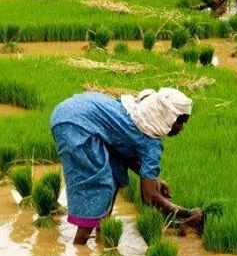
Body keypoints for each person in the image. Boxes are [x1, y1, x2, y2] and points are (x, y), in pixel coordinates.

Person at [50, 89, 204, 244]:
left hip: (68, 111)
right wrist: (187, 214)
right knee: (100, 186)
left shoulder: (138, 115)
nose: (181, 128)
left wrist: (154, 179)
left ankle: (104, 235)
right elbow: (149, 197)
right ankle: (80, 247)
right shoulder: (151, 142)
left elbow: (124, 151)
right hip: (75, 125)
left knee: (114, 173)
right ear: (167, 116)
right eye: (180, 122)